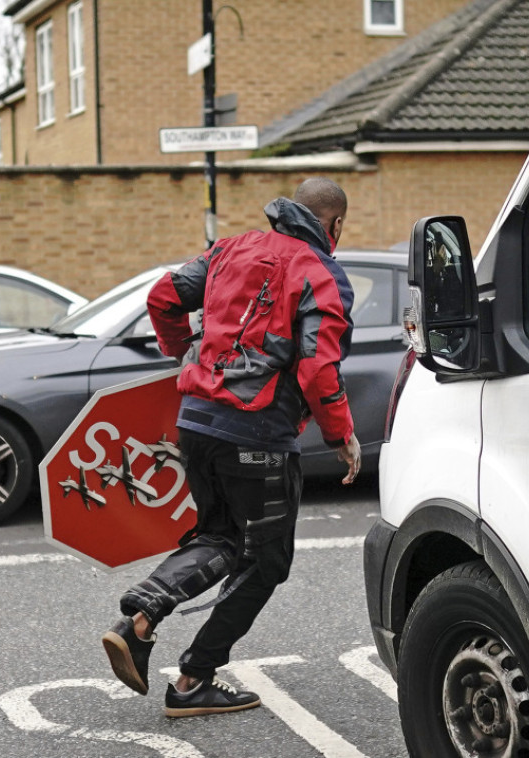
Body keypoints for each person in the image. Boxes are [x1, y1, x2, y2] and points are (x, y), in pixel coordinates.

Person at [102, 177, 361, 718]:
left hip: (196, 421)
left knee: (221, 536)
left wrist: (184, 356)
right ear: (334, 225)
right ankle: (195, 676)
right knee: (267, 562)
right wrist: (341, 434)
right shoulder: (321, 272)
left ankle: (142, 618)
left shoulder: (230, 248)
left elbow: (164, 297)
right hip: (258, 432)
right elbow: (318, 367)